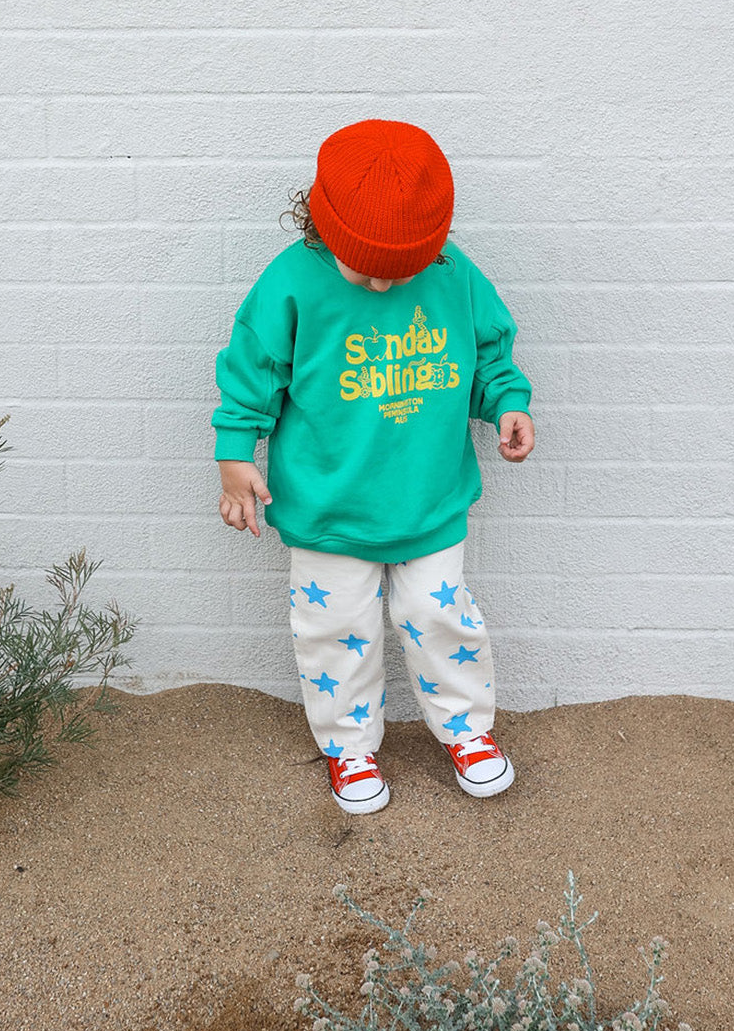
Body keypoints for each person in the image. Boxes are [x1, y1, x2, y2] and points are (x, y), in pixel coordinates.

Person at [211, 119, 535, 814]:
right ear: (324, 229)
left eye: (404, 271)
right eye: (368, 272)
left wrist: (506, 402)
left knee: (440, 616)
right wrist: (235, 457)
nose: (386, 286)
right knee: (335, 630)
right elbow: (251, 374)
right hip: (329, 509)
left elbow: (486, 355)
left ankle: (468, 733)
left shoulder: (453, 273)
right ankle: (349, 748)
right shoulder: (293, 282)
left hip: (429, 501)